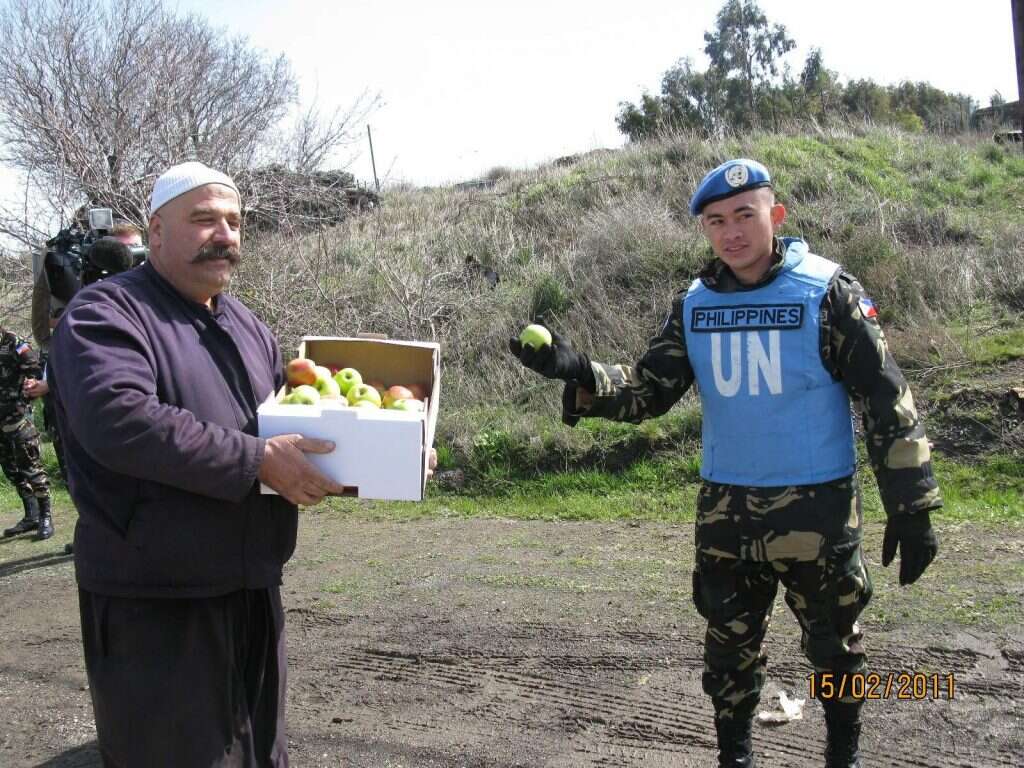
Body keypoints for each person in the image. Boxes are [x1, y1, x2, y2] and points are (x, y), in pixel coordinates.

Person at [510, 158, 941, 768]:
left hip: (816, 517)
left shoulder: (827, 293)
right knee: (727, 651)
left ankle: (844, 753)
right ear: (705, 230)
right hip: (726, 520)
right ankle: (733, 756)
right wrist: (579, 372)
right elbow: (649, 388)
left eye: (745, 215)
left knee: (838, 648)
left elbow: (885, 397)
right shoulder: (694, 303)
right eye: (716, 221)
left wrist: (913, 503)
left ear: (777, 216)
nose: (732, 232)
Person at [49, 161, 349, 766]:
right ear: (156, 232)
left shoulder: (247, 326)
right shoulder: (104, 316)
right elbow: (120, 419)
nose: (225, 235)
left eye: (234, 222)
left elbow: (290, 430)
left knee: (260, 756)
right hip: (156, 607)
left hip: (251, 591)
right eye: (204, 219)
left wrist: (384, 452)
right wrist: (258, 461)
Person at [30, 220, 146, 483]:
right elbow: (42, 332)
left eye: (135, 252)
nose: (127, 261)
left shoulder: (160, 297)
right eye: (119, 253)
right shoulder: (82, 309)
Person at [0, 329, 53, 540]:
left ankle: (46, 517)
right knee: (12, 470)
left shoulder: (13, 342)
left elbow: (36, 369)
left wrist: (26, 395)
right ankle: (31, 515)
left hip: (19, 419)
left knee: (32, 469)